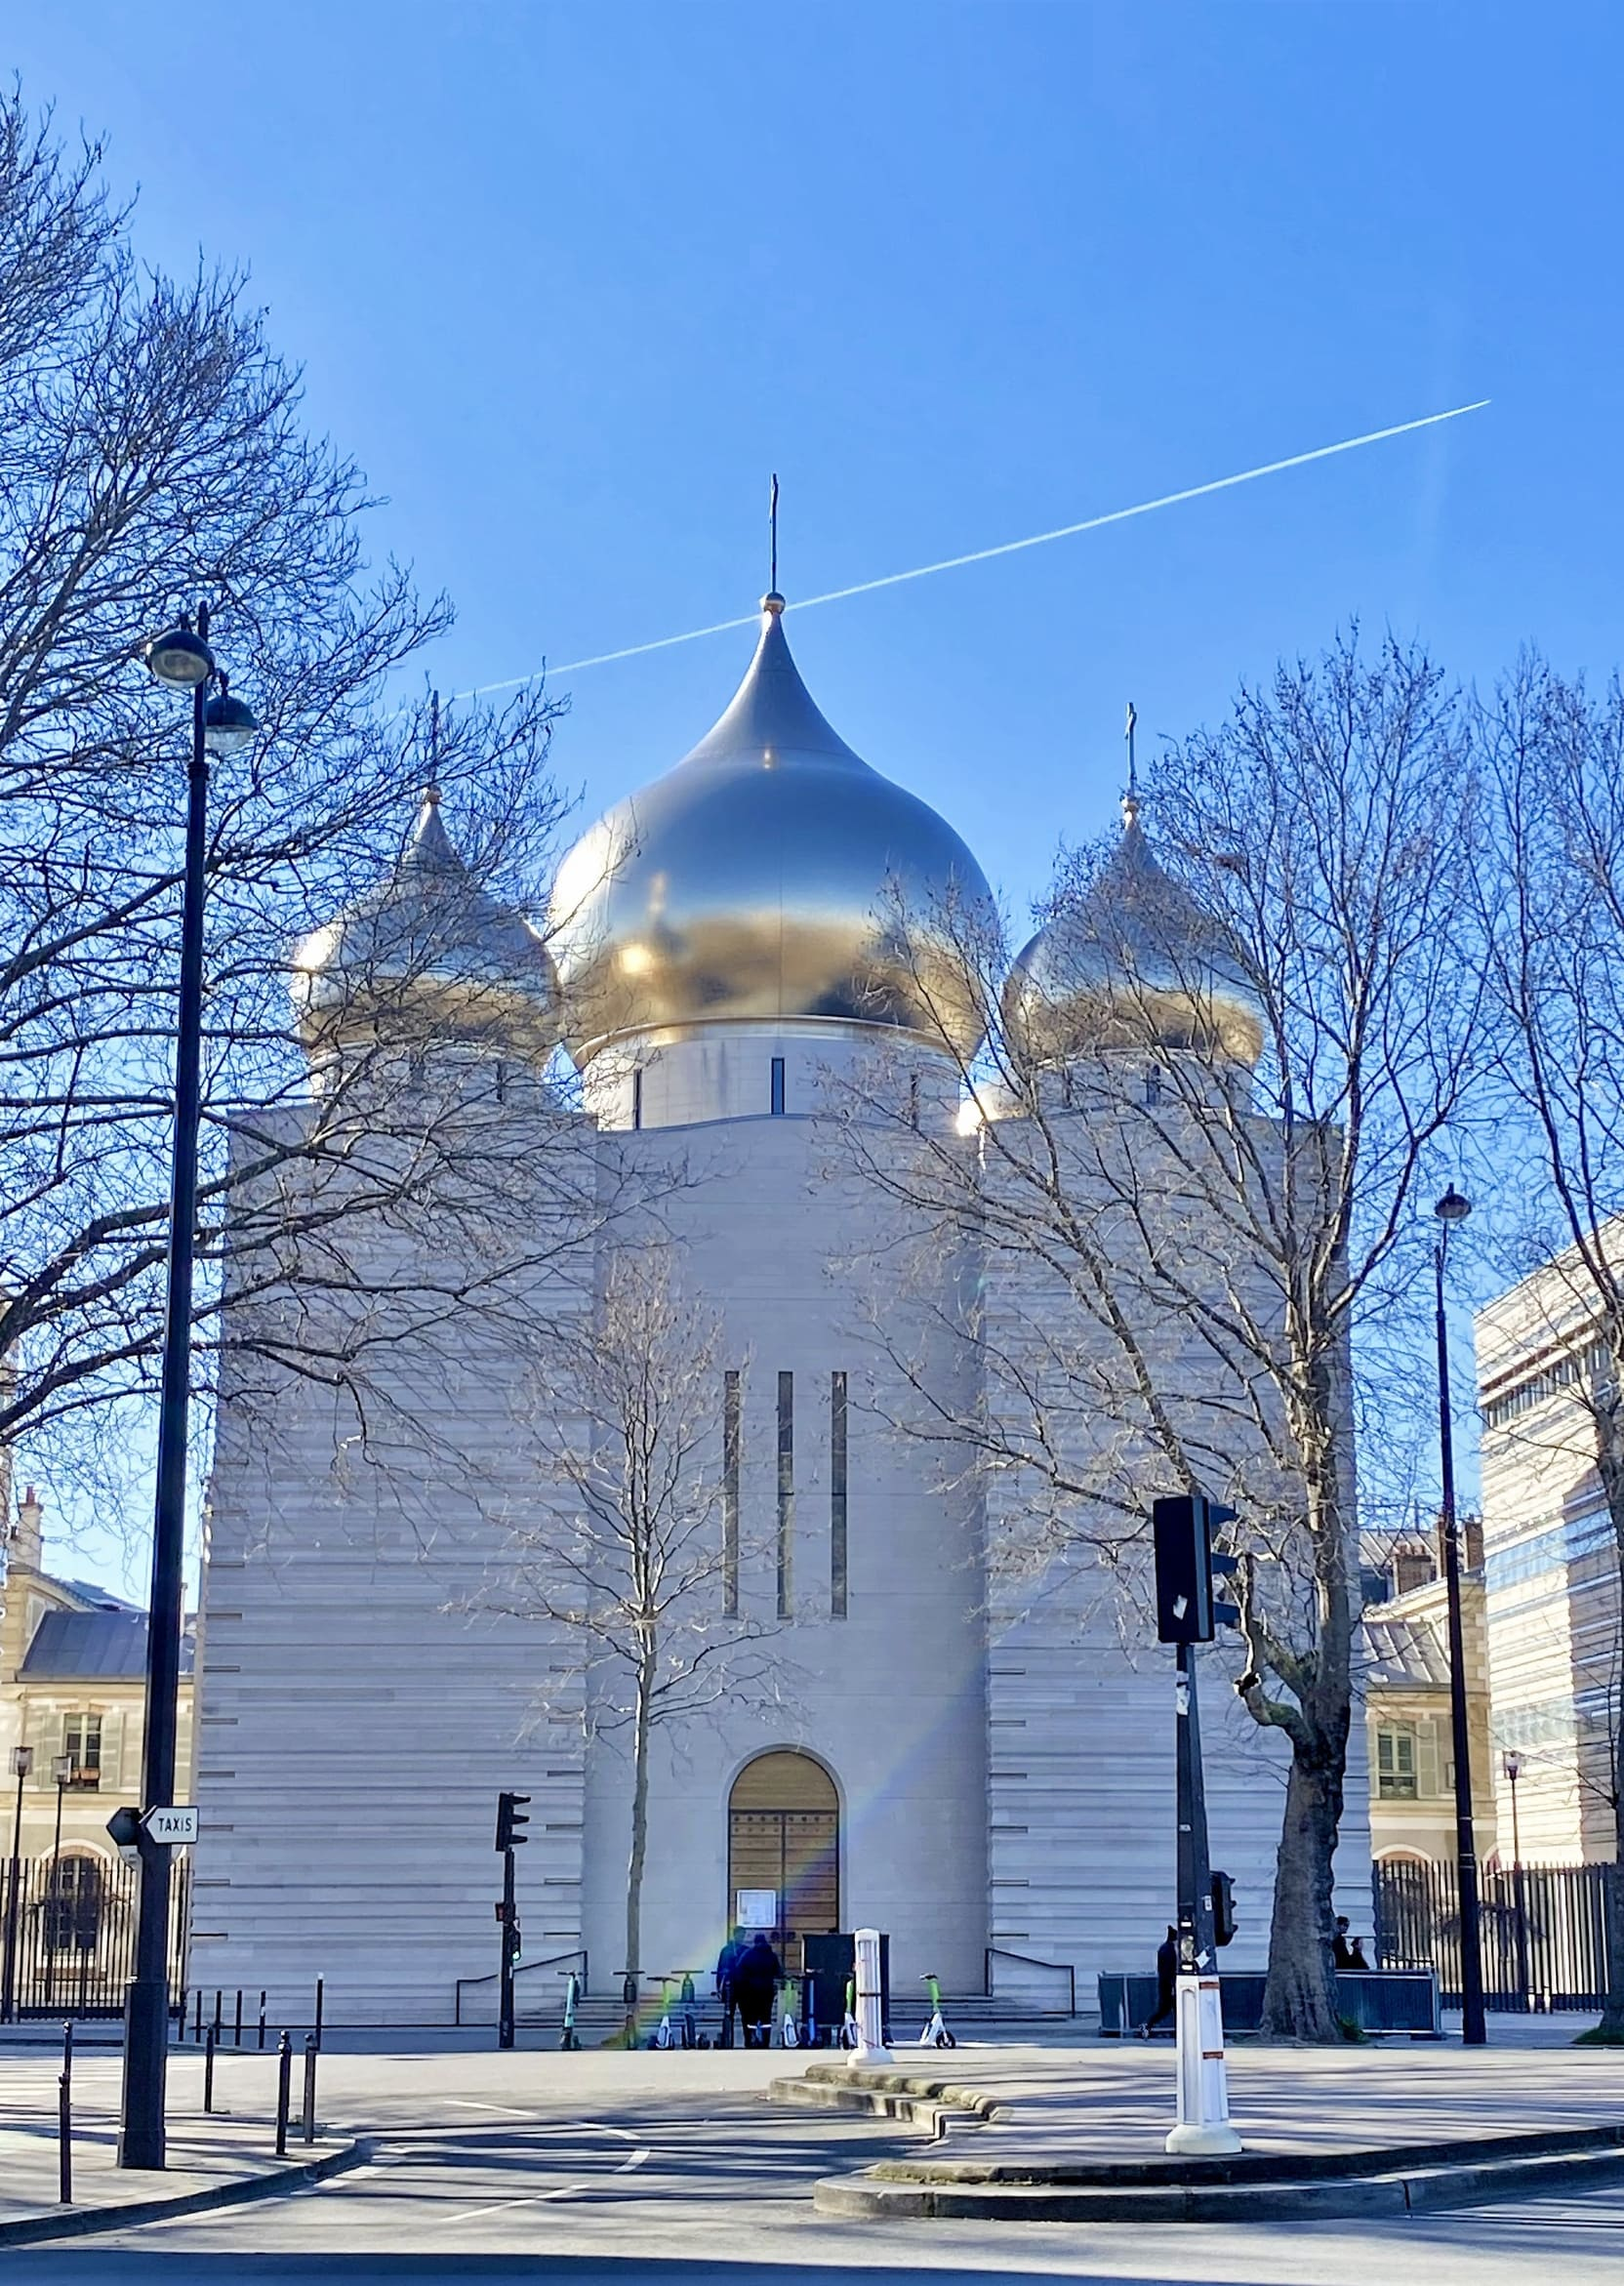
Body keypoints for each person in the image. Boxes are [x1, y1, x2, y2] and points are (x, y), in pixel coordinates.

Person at [732, 1931, 784, 2047]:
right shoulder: (772, 1955)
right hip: (767, 1992)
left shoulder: (748, 1954)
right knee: (766, 2018)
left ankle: (750, 2041)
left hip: (750, 1992)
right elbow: (779, 1972)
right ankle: (766, 2042)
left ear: (755, 1942)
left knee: (751, 2019)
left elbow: (739, 1971)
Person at [1140, 1925, 1179, 2037]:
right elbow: (1168, 1970)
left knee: (1165, 2009)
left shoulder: (1165, 1948)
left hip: (1166, 1984)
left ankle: (1147, 2025)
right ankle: (1147, 2025)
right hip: (1169, 1985)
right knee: (1170, 2009)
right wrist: (1172, 1985)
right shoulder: (1169, 1950)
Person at [714, 1926, 746, 2048]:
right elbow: (720, 1969)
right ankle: (728, 2040)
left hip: (743, 1987)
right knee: (728, 2015)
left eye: (743, 1935)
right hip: (730, 1987)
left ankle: (747, 2040)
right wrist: (719, 1988)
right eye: (740, 1935)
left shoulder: (745, 1950)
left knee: (745, 2015)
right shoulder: (726, 1951)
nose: (742, 1938)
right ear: (735, 1935)